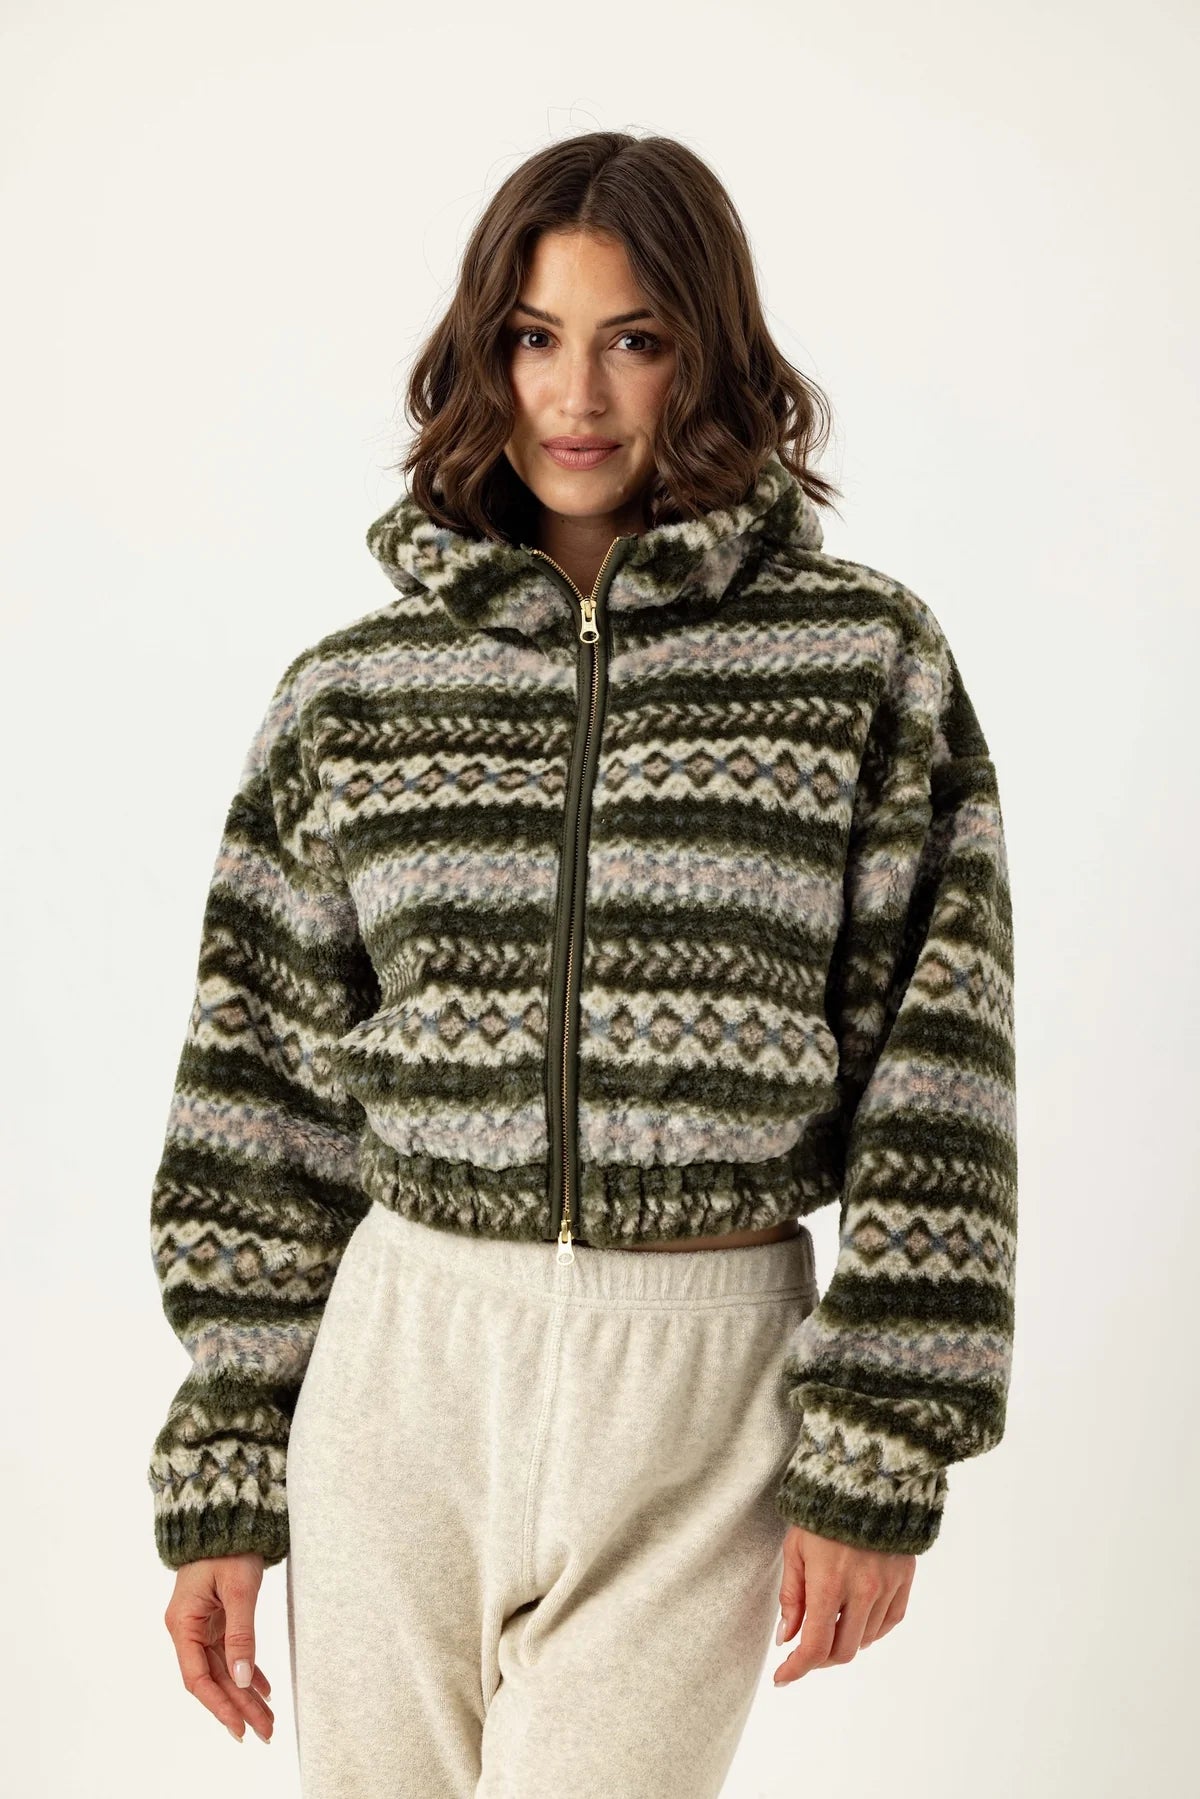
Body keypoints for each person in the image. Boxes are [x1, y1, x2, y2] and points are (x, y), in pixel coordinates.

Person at [148, 130, 1017, 1797]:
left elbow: (942, 1067)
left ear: (713, 354)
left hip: (703, 1382)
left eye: (637, 338)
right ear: (481, 354)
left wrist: (887, 1437)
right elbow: (258, 1097)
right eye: (535, 337)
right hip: (403, 1364)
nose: (577, 395)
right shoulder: (355, 694)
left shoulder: (862, 662)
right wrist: (226, 1467)